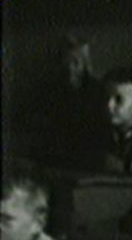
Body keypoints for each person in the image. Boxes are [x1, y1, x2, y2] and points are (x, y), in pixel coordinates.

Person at [40, 35, 106, 167]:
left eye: (76, 62)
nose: (70, 68)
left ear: (85, 64)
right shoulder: (51, 90)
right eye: (66, 61)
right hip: (59, 153)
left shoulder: (97, 90)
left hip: (90, 153)